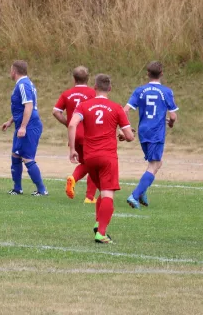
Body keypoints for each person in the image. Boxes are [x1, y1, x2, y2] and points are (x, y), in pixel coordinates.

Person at [68, 74, 134, 243]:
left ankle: (99, 224)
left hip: (90, 158)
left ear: (94, 87)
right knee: (107, 195)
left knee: (101, 192)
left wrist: (73, 149)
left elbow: (72, 124)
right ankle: (101, 233)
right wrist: (123, 134)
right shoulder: (116, 108)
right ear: (110, 89)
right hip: (107, 157)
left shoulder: (84, 106)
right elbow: (129, 136)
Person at [123, 61, 178, 209]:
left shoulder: (140, 90)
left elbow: (125, 110)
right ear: (161, 74)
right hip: (156, 133)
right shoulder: (166, 92)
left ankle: (142, 192)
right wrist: (171, 123)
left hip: (143, 131)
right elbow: (172, 116)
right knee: (154, 164)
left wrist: (125, 128)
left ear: (147, 74)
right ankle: (134, 195)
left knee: (156, 163)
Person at [1, 60, 47, 196]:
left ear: (14, 71)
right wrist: (10, 121)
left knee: (27, 158)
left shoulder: (23, 85)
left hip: (30, 126)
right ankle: (17, 188)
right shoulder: (25, 84)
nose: (10, 72)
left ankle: (42, 190)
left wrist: (23, 127)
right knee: (15, 155)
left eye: (10, 70)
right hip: (23, 125)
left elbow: (29, 106)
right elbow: (20, 108)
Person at [52, 66, 97, 203]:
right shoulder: (92, 93)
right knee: (94, 165)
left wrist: (67, 123)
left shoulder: (67, 94)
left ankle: (73, 179)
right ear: (88, 78)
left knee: (85, 163)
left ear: (74, 79)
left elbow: (55, 111)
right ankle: (89, 197)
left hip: (74, 134)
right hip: (89, 135)